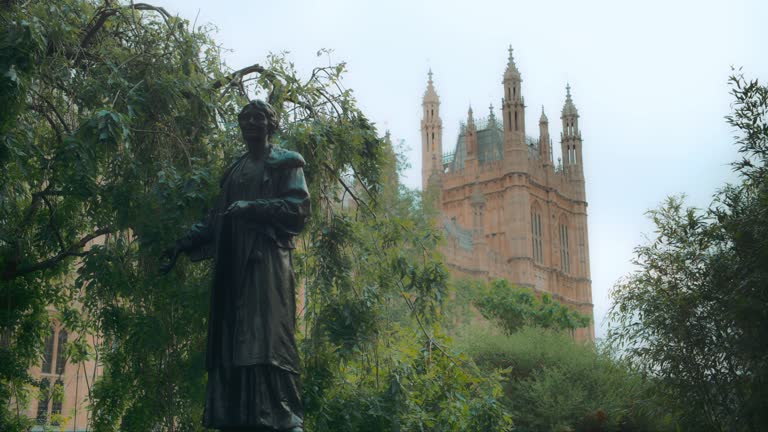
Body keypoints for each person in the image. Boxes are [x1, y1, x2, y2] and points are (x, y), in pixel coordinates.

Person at [160, 100, 309, 432]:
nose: (252, 123)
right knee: (233, 346)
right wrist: (182, 243)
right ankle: (239, 417)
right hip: (232, 271)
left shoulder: (287, 164)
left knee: (267, 344)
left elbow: (297, 211)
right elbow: (216, 220)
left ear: (271, 125)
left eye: (259, 118)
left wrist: (252, 208)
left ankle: (283, 418)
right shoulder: (235, 171)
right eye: (246, 118)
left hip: (265, 266)